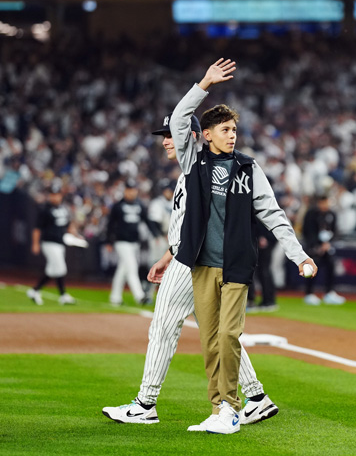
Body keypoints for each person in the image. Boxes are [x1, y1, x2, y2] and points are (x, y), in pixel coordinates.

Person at [102, 114, 279, 427]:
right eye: (164, 135)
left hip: (192, 263)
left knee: (163, 326)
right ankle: (256, 396)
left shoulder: (201, 168)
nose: (166, 141)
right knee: (216, 332)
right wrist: (168, 254)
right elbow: (189, 225)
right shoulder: (192, 170)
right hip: (186, 257)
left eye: (172, 134)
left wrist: (177, 255)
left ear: (196, 135)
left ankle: (145, 403)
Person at [170, 59, 316, 434]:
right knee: (208, 341)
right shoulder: (194, 161)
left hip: (235, 264)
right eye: (224, 129)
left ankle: (232, 408)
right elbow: (177, 119)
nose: (232, 135)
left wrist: (298, 255)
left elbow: (273, 213)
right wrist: (203, 83)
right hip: (202, 264)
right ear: (206, 135)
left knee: (229, 335)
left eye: (234, 129)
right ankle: (219, 408)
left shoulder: (249, 169)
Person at [106, 180, 160, 306]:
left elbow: (147, 220)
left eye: (134, 189)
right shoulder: (118, 206)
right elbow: (110, 225)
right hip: (121, 242)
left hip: (134, 242)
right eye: (129, 189)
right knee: (132, 267)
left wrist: (156, 234)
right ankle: (140, 296)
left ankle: (115, 297)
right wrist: (109, 241)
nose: (132, 192)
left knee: (123, 270)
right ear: (125, 190)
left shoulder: (139, 205)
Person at [28, 186, 79, 306]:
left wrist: (76, 234)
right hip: (49, 242)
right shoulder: (44, 209)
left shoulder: (64, 209)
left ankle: (35, 291)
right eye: (53, 194)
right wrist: (35, 243)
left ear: (60, 195)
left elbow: (68, 226)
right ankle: (63, 295)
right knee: (60, 268)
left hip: (60, 242)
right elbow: (37, 228)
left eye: (57, 194)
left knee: (52, 270)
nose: (55, 197)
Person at [302, 195, 345, 305]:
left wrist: (328, 244)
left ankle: (329, 292)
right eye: (323, 203)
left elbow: (335, 231)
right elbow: (307, 231)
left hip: (327, 247)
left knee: (331, 266)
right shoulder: (311, 214)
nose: (325, 205)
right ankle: (309, 293)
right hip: (314, 246)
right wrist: (317, 245)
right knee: (311, 268)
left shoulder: (332, 214)